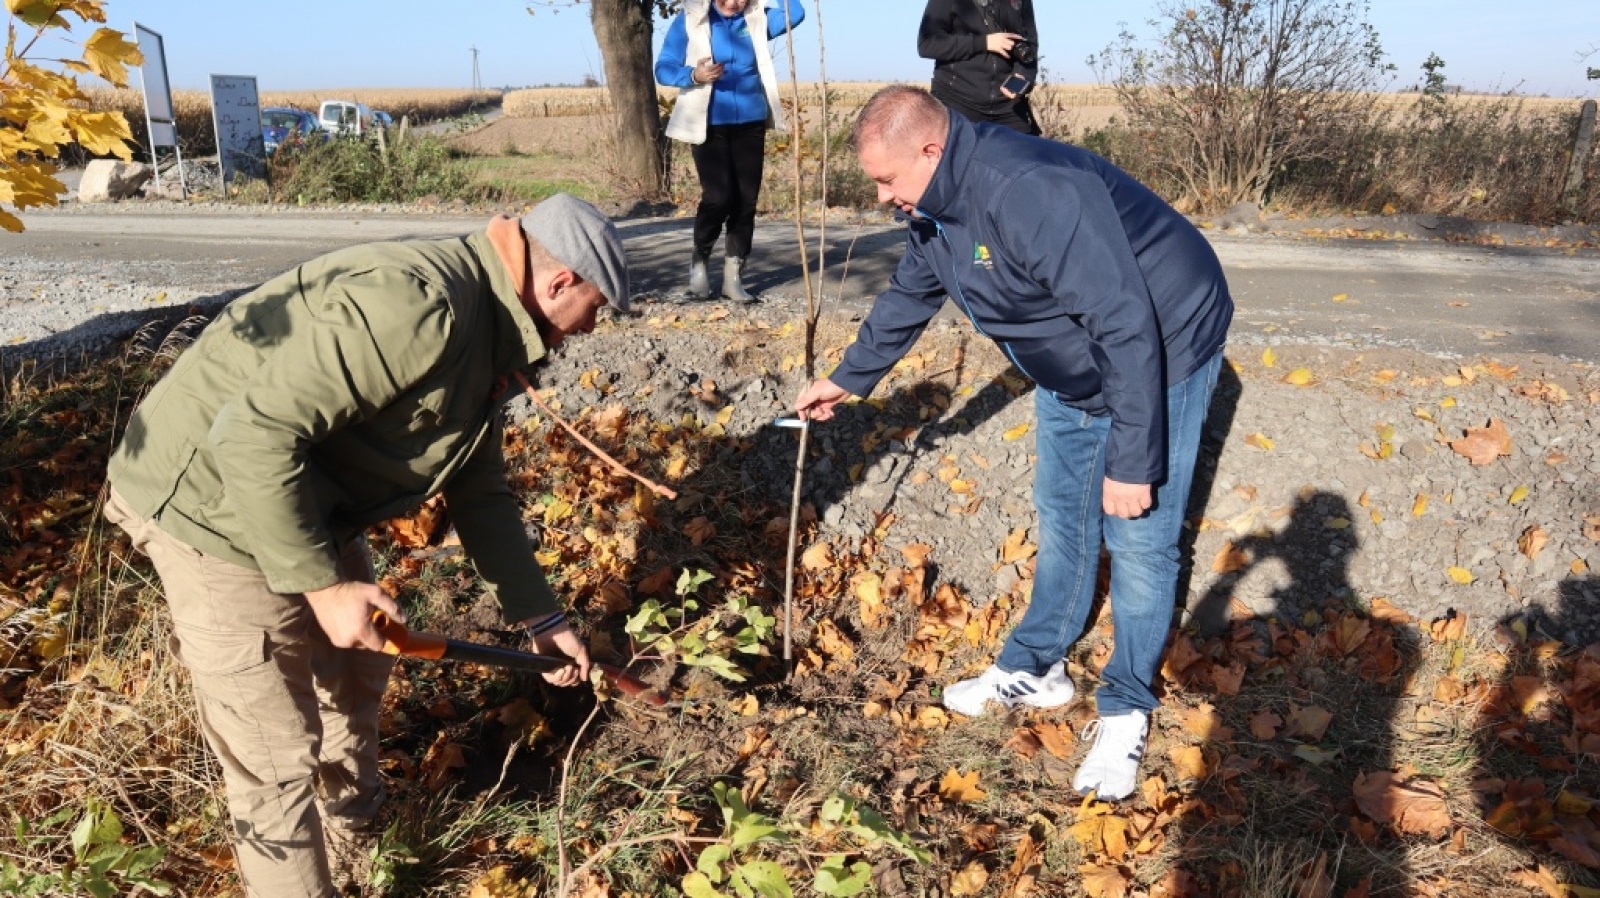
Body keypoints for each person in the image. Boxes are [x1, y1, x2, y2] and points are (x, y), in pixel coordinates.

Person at [103, 193, 628, 897]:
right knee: (275, 759)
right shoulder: (421, 306)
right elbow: (251, 435)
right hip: (209, 504)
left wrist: (543, 619)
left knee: (355, 678)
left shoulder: (494, 331)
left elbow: (480, 491)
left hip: (303, 497)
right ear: (559, 283)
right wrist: (323, 587)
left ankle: (356, 850)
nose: (590, 329)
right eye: (595, 309)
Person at [794, 87, 1233, 802]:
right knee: (1065, 514)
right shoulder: (933, 207)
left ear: (932, 151)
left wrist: (1130, 458)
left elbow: (1125, 322)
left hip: (1164, 340)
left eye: (887, 179)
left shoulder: (1028, 191)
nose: (880, 197)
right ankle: (1038, 668)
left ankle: (1126, 708)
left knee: (1140, 535)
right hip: (1070, 359)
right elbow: (913, 289)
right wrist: (849, 378)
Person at [656, 0, 806, 302]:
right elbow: (663, 68)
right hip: (707, 123)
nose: (734, 3)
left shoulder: (758, 20)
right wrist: (693, 76)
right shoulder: (690, 21)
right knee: (719, 197)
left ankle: (733, 277)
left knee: (746, 201)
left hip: (750, 123)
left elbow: (796, 13)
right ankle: (699, 268)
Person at [918, 0, 1041, 135]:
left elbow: (1030, 44)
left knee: (1029, 153)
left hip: (1009, 108)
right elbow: (928, 44)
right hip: (957, 103)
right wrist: (984, 43)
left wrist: (1022, 75)